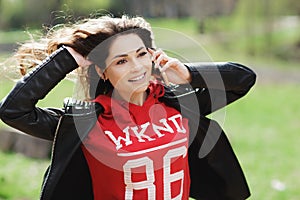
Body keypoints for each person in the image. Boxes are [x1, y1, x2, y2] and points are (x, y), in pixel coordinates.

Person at [0, 14, 256, 200]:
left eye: (141, 54)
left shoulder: (178, 103)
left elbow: (242, 80)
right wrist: (65, 60)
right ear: (103, 72)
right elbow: (14, 111)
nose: (136, 67)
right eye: (121, 61)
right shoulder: (86, 122)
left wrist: (188, 73)